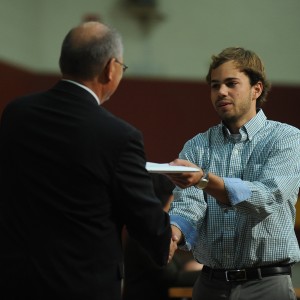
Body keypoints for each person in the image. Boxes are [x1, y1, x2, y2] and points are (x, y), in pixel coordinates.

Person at [0, 21, 175, 300]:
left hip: (15, 283)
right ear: (111, 68)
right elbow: (153, 233)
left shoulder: (16, 114)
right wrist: (174, 218)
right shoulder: (119, 137)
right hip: (83, 288)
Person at [166, 47, 300, 300]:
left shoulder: (287, 139)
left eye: (231, 83)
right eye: (215, 86)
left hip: (267, 285)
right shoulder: (197, 146)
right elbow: (187, 206)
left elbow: (266, 198)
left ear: (256, 89)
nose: (221, 92)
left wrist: (205, 180)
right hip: (210, 284)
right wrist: (173, 233)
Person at [122, 173, 202, 300]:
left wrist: (192, 265)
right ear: (170, 199)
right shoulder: (146, 231)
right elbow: (171, 277)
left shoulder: (151, 228)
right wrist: (211, 274)